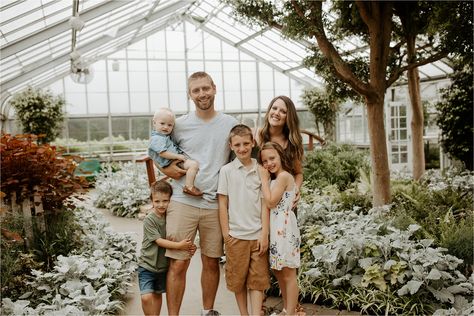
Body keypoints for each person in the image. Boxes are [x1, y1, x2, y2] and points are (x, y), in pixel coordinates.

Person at [158, 71, 238, 316]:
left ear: (215, 88)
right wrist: (175, 175)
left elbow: (239, 161)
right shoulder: (178, 125)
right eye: (196, 90)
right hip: (183, 202)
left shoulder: (230, 124)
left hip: (214, 203)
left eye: (206, 88)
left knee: (211, 261)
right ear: (189, 94)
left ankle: (207, 311)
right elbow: (158, 157)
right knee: (179, 262)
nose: (202, 94)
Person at [217, 124, 270, 315]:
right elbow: (222, 203)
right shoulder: (226, 171)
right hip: (236, 236)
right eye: (237, 144)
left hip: (257, 236)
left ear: (253, 143)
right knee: (238, 280)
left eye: (246, 143)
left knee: (257, 281)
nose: (242, 148)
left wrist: (265, 234)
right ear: (231, 146)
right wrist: (226, 235)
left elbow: (265, 204)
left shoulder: (261, 170)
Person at [137, 180, 197, 316]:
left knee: (158, 295)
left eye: (165, 201)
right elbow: (159, 241)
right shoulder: (150, 220)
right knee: (146, 297)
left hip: (163, 267)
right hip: (147, 266)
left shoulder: (171, 218)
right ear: (152, 200)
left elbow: (177, 237)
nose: (161, 205)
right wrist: (180, 245)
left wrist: (189, 246)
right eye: (157, 201)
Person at [258, 142, 301, 316]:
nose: (269, 163)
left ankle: (290, 312)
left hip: (284, 229)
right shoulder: (276, 178)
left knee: (289, 272)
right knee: (278, 269)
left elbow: (270, 202)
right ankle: (286, 309)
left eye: (272, 158)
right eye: (265, 161)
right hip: (276, 228)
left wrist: (263, 180)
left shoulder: (283, 176)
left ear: (280, 156)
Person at [257, 96, 304, 206]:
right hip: (261, 200)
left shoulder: (292, 142)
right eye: (274, 108)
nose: (276, 113)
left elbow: (298, 173)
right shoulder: (257, 136)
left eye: (283, 111)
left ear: (289, 117)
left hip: (285, 202)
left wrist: (295, 188)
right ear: (269, 110)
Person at [149, 108, 202, 196]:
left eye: (170, 125)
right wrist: (177, 156)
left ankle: (189, 185)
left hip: (172, 161)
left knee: (192, 165)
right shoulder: (157, 138)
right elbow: (162, 153)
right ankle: (189, 186)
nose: (166, 127)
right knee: (193, 165)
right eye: (162, 123)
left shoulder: (163, 136)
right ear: (154, 123)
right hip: (170, 162)